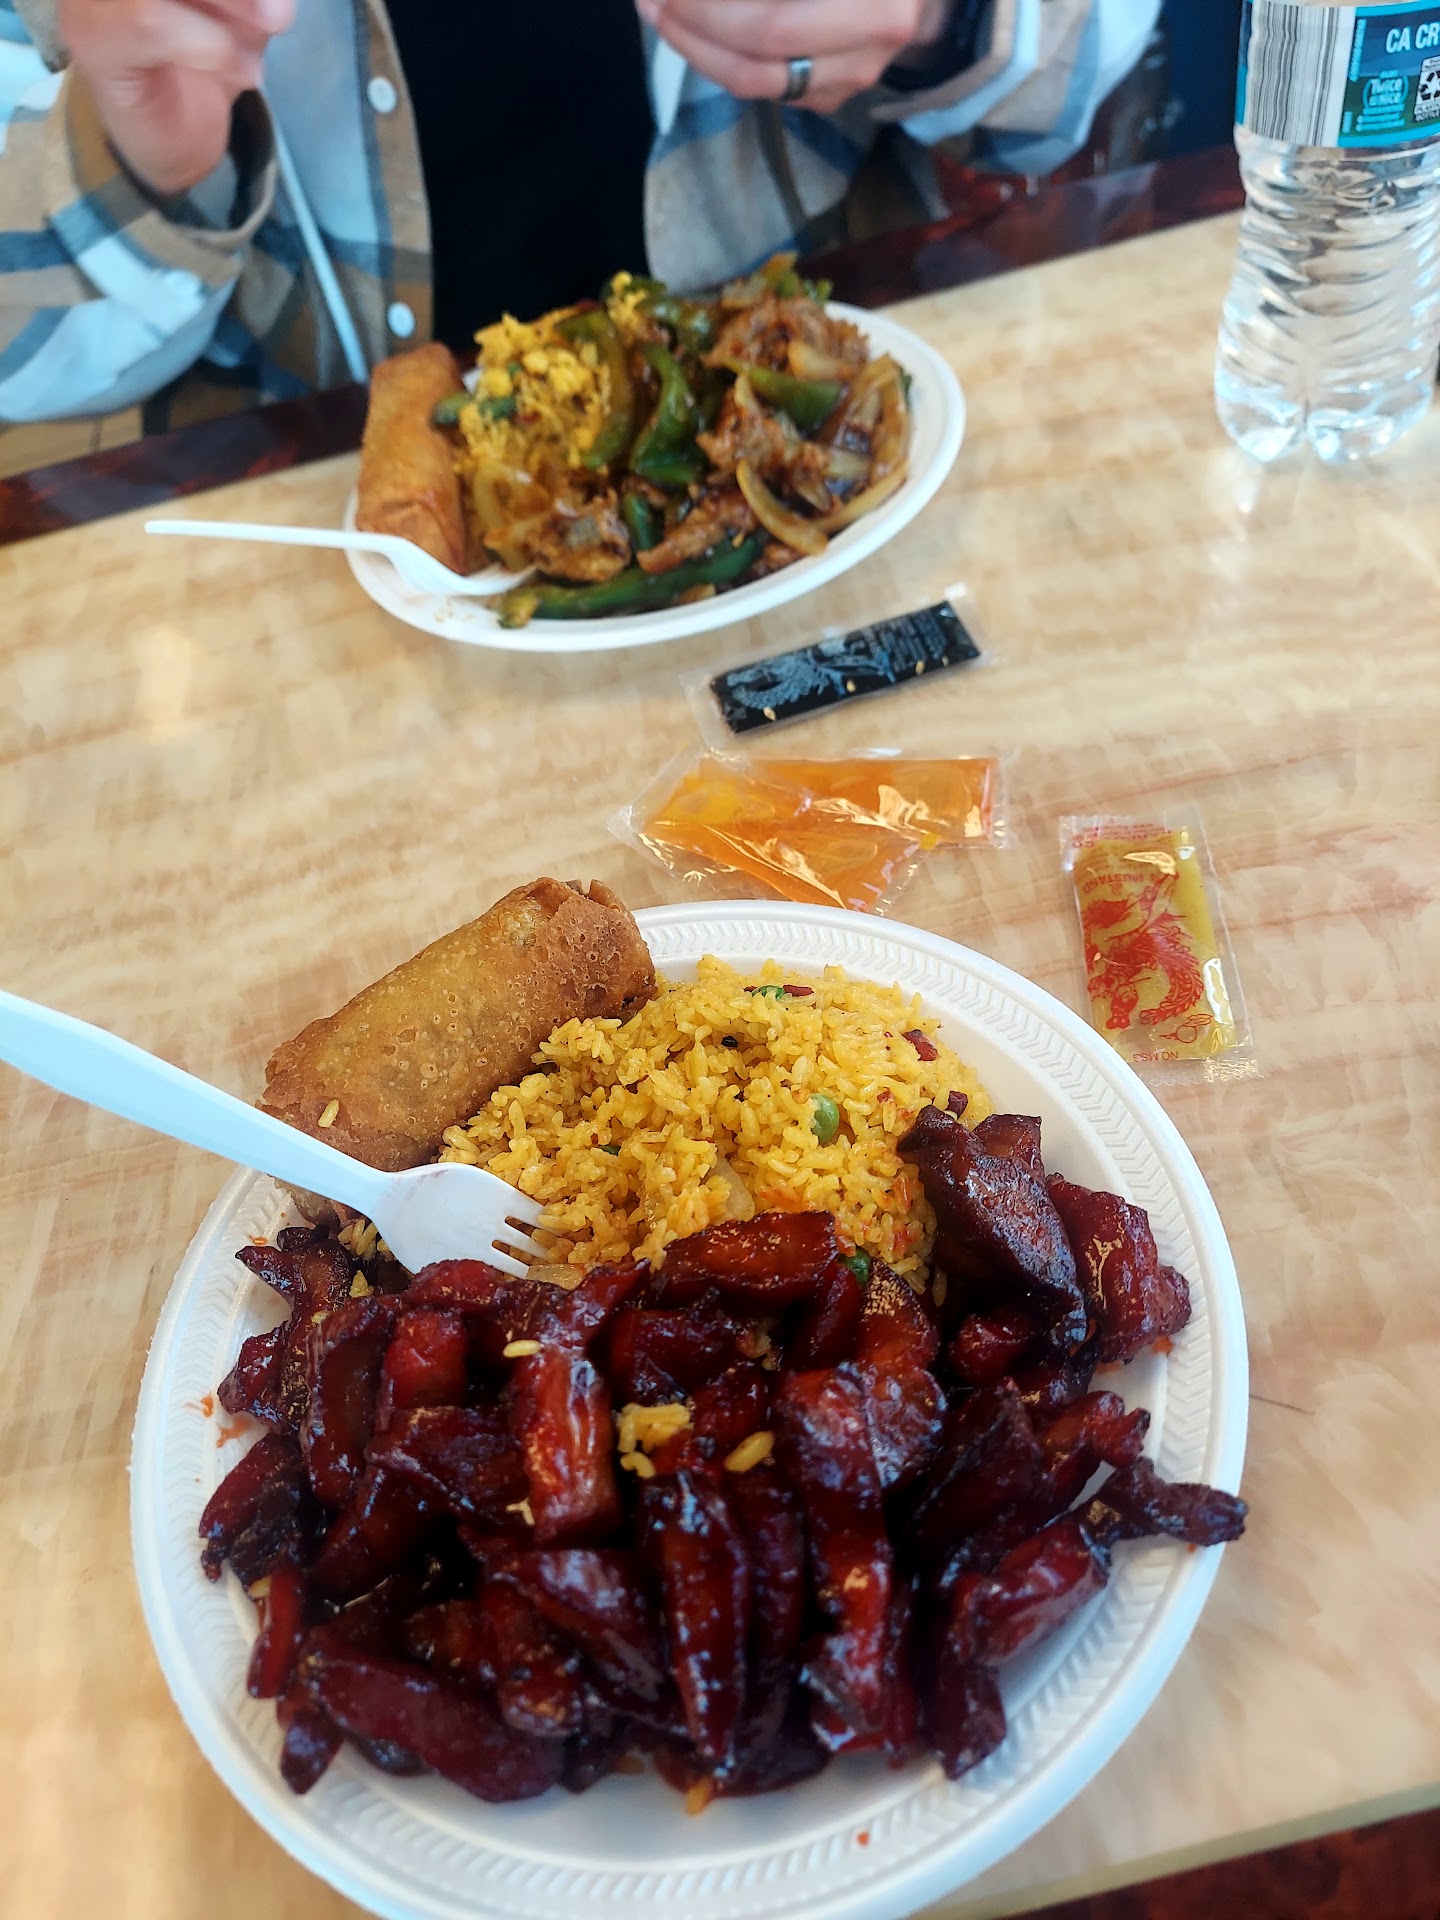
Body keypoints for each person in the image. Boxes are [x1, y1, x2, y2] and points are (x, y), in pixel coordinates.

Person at [0, 0, 1159, 432]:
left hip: (828, 461)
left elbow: (1085, 66)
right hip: (326, 541)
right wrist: (137, 159)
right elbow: (24, 361)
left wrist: (949, 19)